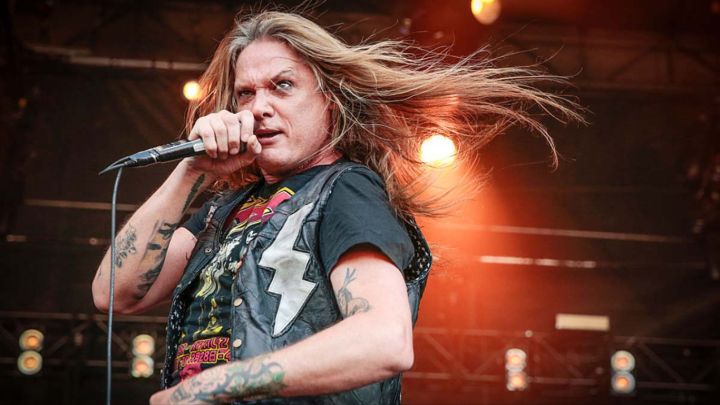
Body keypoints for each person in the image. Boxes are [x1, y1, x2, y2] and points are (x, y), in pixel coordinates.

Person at [92, 10, 581, 405]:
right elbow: (115, 294)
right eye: (246, 93)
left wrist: (215, 384)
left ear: (330, 99)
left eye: (282, 86)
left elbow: (384, 340)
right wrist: (190, 171)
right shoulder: (224, 209)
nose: (258, 107)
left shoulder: (345, 189)